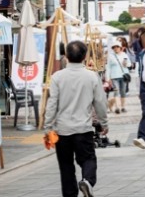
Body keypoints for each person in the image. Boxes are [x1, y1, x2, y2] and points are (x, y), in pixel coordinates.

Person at [44, 40, 108, 197]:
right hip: (83, 129)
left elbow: (52, 103)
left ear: (66, 56)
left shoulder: (57, 77)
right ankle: (87, 181)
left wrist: (48, 126)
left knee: (66, 167)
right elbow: (100, 102)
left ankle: (70, 195)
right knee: (88, 159)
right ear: (85, 56)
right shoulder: (92, 76)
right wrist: (103, 122)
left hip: (62, 130)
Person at [105, 44, 130, 114]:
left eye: (117, 47)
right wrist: (108, 77)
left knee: (123, 92)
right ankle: (117, 107)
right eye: (114, 47)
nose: (116, 48)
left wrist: (126, 64)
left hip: (123, 76)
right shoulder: (110, 56)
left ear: (120, 47)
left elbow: (130, 64)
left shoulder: (124, 55)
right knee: (116, 91)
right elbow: (108, 67)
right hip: (114, 76)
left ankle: (123, 107)